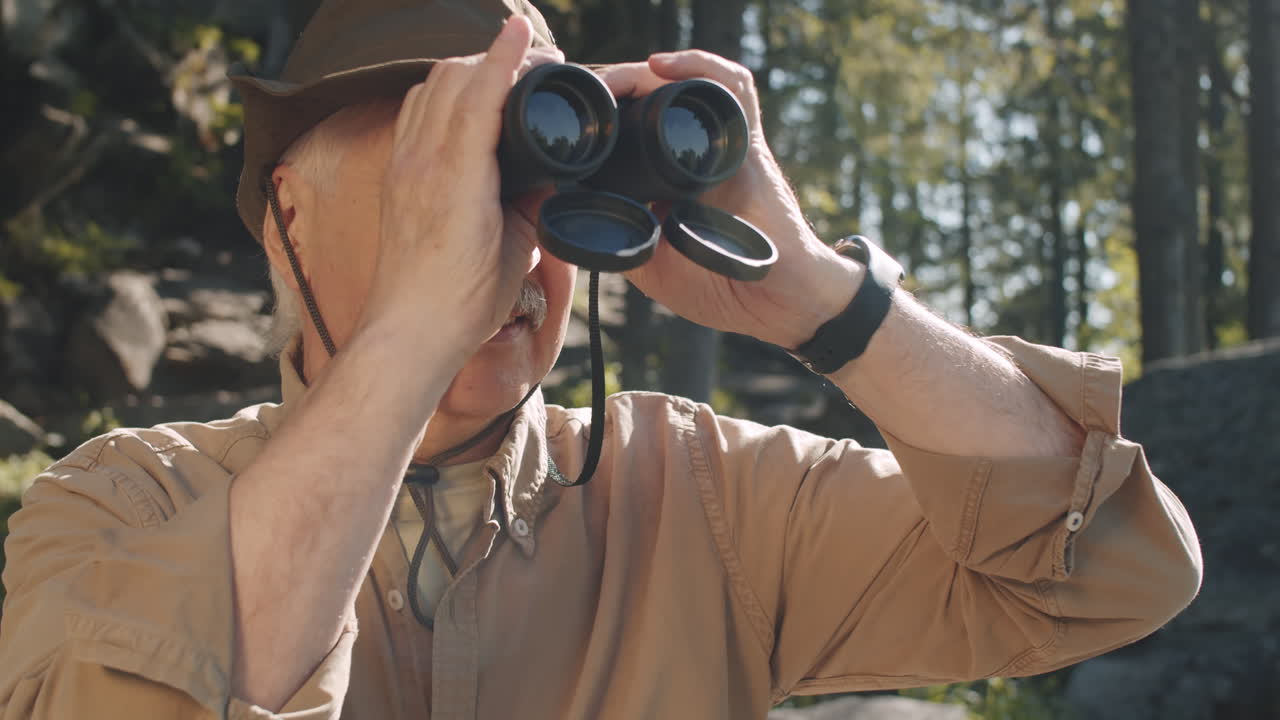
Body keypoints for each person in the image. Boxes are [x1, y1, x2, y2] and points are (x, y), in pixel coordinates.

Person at [0, 1, 1202, 719]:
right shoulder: (119, 502)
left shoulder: (701, 500)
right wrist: (418, 327)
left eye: (534, 180)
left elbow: (1108, 571)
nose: (509, 240)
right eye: (444, 172)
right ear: (289, 214)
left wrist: (814, 296)